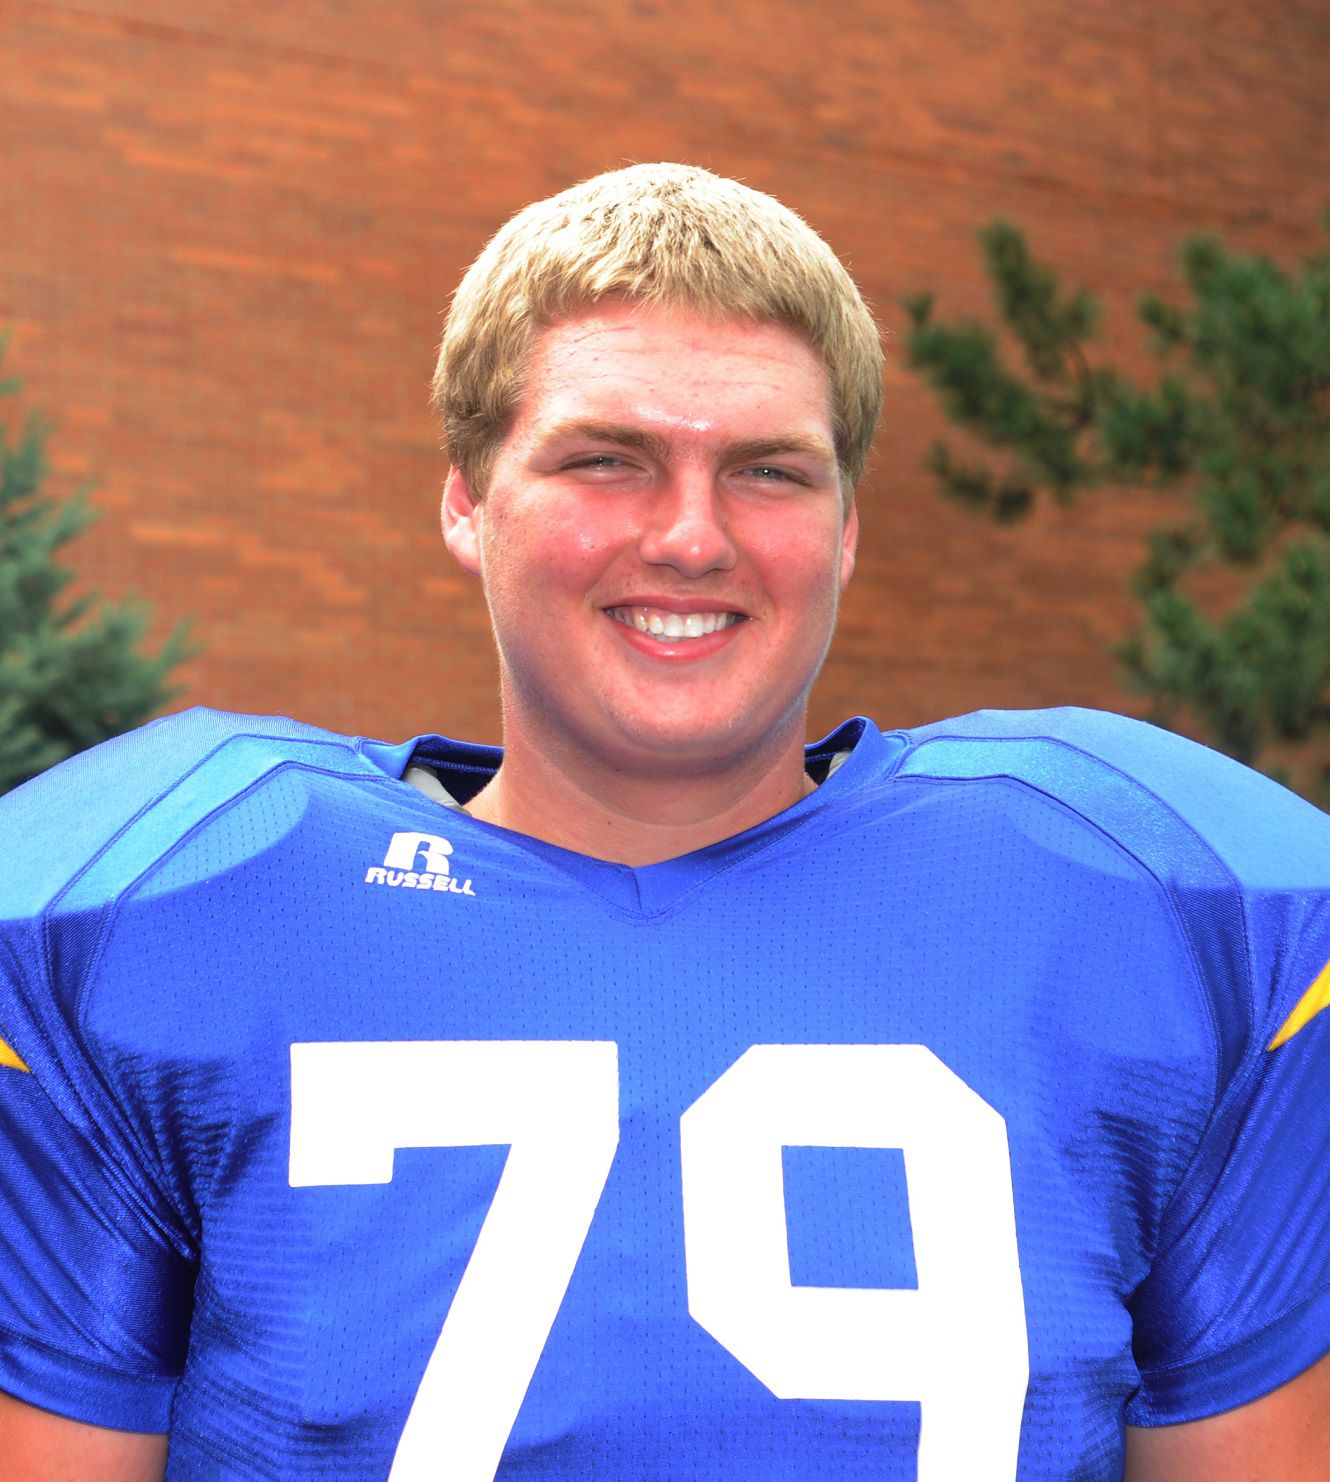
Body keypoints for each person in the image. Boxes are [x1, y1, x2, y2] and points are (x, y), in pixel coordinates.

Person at [0, 163, 1327, 1482]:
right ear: (466, 500)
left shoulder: (1144, 902)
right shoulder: (171, 906)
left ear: (849, 526)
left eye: (767, 471)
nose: (691, 536)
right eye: (606, 460)